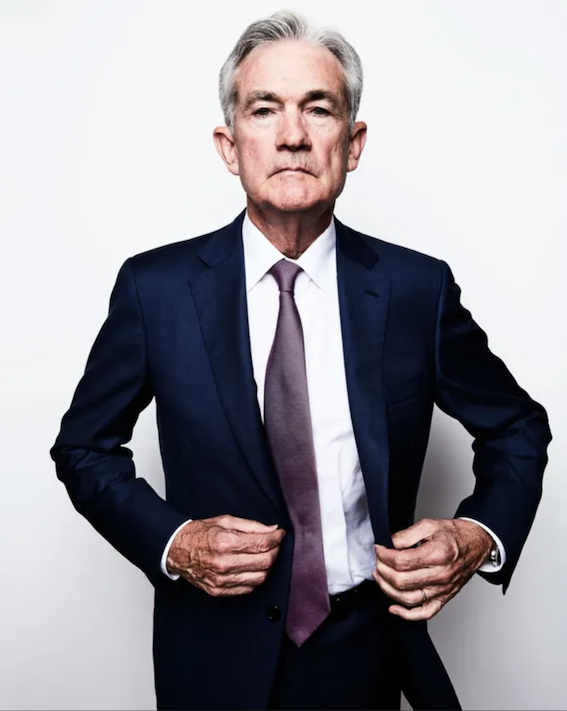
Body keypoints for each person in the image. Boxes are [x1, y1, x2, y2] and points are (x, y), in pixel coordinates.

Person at [50, 10, 551, 711]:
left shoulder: (415, 289)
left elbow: (516, 427)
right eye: (264, 110)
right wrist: (173, 541)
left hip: (367, 650)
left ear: (352, 142)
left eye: (319, 109)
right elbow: (83, 446)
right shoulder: (155, 290)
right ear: (230, 145)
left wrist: (478, 532)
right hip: (213, 658)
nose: (291, 135)